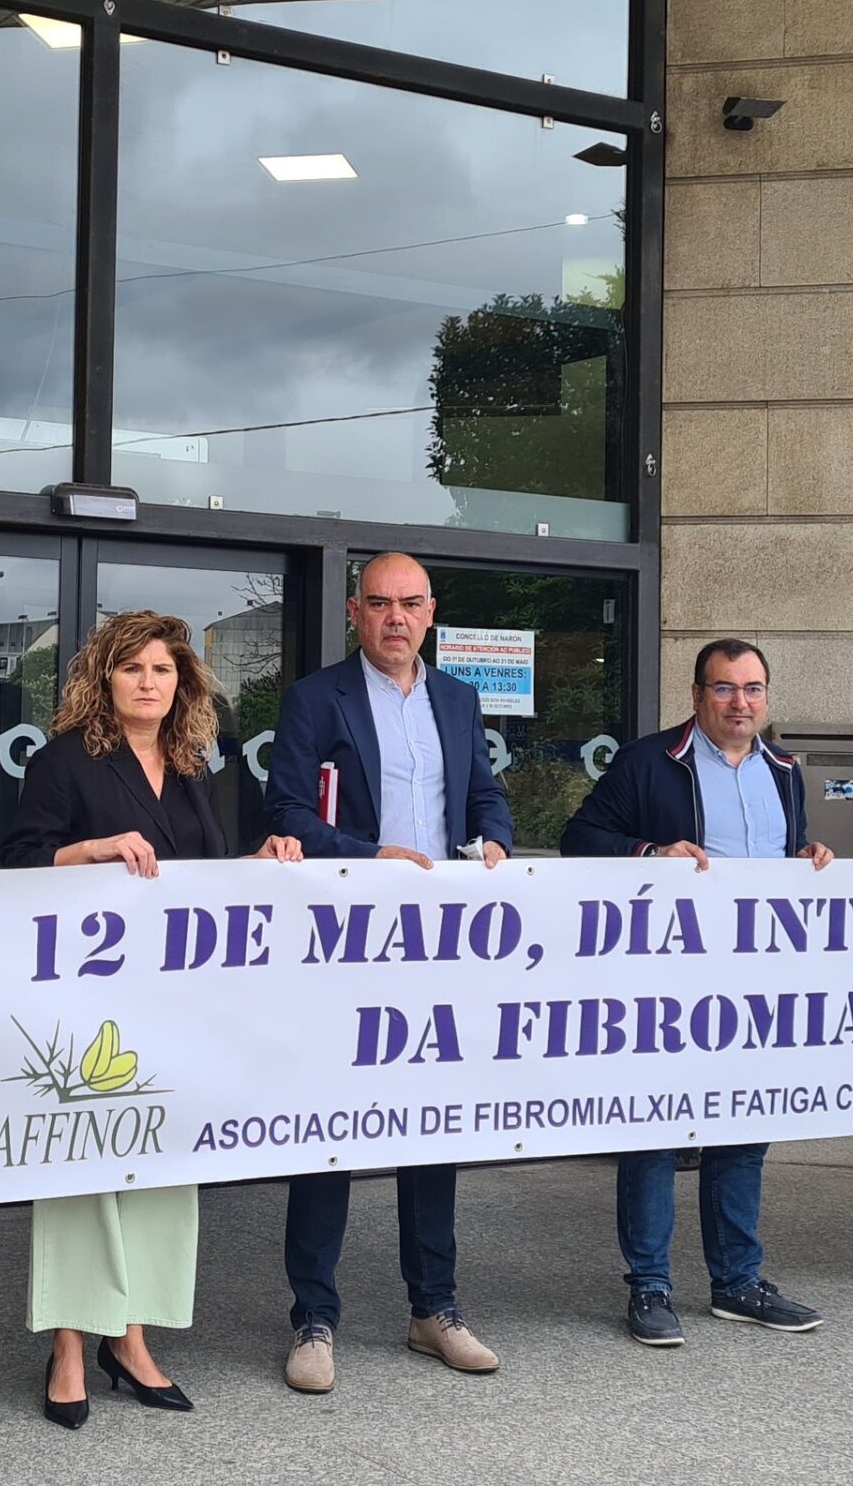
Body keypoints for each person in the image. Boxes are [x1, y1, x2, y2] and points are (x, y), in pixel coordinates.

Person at [1, 610, 300, 1426]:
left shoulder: (193, 763)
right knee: (81, 1172)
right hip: (87, 1003)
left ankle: (130, 1338)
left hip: (173, 1004)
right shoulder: (64, 761)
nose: (148, 682)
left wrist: (260, 862)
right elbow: (15, 864)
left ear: (182, 684)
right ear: (104, 679)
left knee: (161, 1168)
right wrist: (89, 851)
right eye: (132, 667)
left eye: (162, 670)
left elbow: (200, 879)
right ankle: (69, 1344)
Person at [263, 552, 513, 1393]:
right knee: (330, 1126)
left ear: (431, 612)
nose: (395, 618)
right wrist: (369, 854)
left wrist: (496, 837)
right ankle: (314, 1317)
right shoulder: (315, 698)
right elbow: (286, 813)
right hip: (347, 940)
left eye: (409, 604)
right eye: (379, 604)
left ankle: (434, 1308)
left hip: (439, 946)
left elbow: (482, 794)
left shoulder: (459, 699)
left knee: (431, 1125)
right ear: (354, 612)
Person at [560, 637, 833, 1347]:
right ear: (696, 695)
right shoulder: (650, 761)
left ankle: (738, 1282)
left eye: (752, 689)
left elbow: (782, 858)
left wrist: (806, 856)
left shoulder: (784, 771)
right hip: (667, 986)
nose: (740, 703)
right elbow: (579, 836)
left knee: (742, 1130)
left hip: (756, 985)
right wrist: (650, 853)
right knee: (655, 1131)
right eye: (724, 688)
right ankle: (649, 1287)